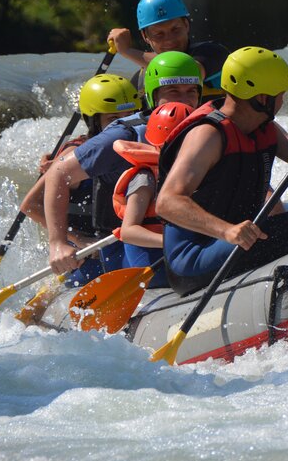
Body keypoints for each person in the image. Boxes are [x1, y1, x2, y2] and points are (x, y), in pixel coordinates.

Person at [156, 46, 288, 296]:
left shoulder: (263, 127)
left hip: (237, 240)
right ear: (262, 99)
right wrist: (227, 231)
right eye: (280, 95)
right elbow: (166, 203)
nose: (282, 101)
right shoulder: (208, 136)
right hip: (193, 258)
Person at [44, 51, 204, 277]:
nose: (184, 100)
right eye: (173, 92)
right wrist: (58, 243)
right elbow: (58, 173)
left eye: (191, 92)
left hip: (189, 237)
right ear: (153, 96)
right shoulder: (125, 134)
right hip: (127, 249)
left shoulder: (207, 128)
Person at [19, 74, 142, 285]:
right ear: (94, 121)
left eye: (129, 116)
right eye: (113, 120)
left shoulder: (138, 140)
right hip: (86, 252)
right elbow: (31, 205)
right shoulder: (76, 156)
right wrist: (76, 239)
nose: (122, 125)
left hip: (119, 239)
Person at [110, 102, 195, 288]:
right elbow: (129, 231)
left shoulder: (194, 171)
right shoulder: (145, 179)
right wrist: (170, 242)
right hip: (153, 261)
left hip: (181, 253)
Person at [106, 0, 228, 101]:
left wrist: (127, 51)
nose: (169, 40)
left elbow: (182, 71)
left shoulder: (213, 53)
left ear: (186, 25)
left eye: (175, 29)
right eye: (159, 34)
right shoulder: (140, 81)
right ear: (145, 36)